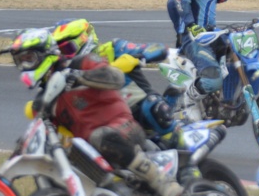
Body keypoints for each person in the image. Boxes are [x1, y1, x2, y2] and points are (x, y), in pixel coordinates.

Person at [3, 28, 182, 196]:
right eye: (20, 62)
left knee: (102, 135)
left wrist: (81, 76)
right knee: (58, 155)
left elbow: (115, 77)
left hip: (122, 128)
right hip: (91, 151)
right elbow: (37, 133)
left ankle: (162, 182)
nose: (24, 67)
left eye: (29, 59)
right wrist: (7, 172)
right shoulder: (46, 98)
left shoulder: (84, 62)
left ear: (45, 53)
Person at [51, 18, 184, 149]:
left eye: (67, 48)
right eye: (59, 51)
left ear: (84, 39)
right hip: (102, 119)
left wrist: (140, 56)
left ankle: (183, 148)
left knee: (154, 107)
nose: (64, 55)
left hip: (136, 109)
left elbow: (159, 48)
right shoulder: (63, 69)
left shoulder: (112, 49)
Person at [166, 0, 250, 97]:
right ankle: (189, 100)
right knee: (213, 81)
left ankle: (223, 100)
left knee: (235, 48)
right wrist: (190, 26)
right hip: (195, 40)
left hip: (205, 36)